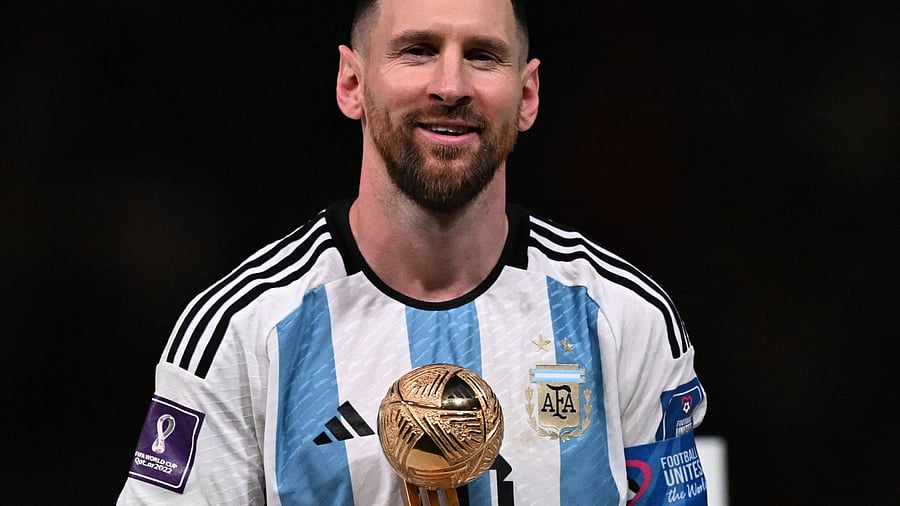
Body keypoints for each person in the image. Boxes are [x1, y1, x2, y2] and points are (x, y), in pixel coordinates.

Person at [117, 0, 709, 504]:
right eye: (417, 50)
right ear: (352, 83)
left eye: (482, 55)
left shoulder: (625, 318)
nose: (450, 86)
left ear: (527, 95)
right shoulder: (240, 332)